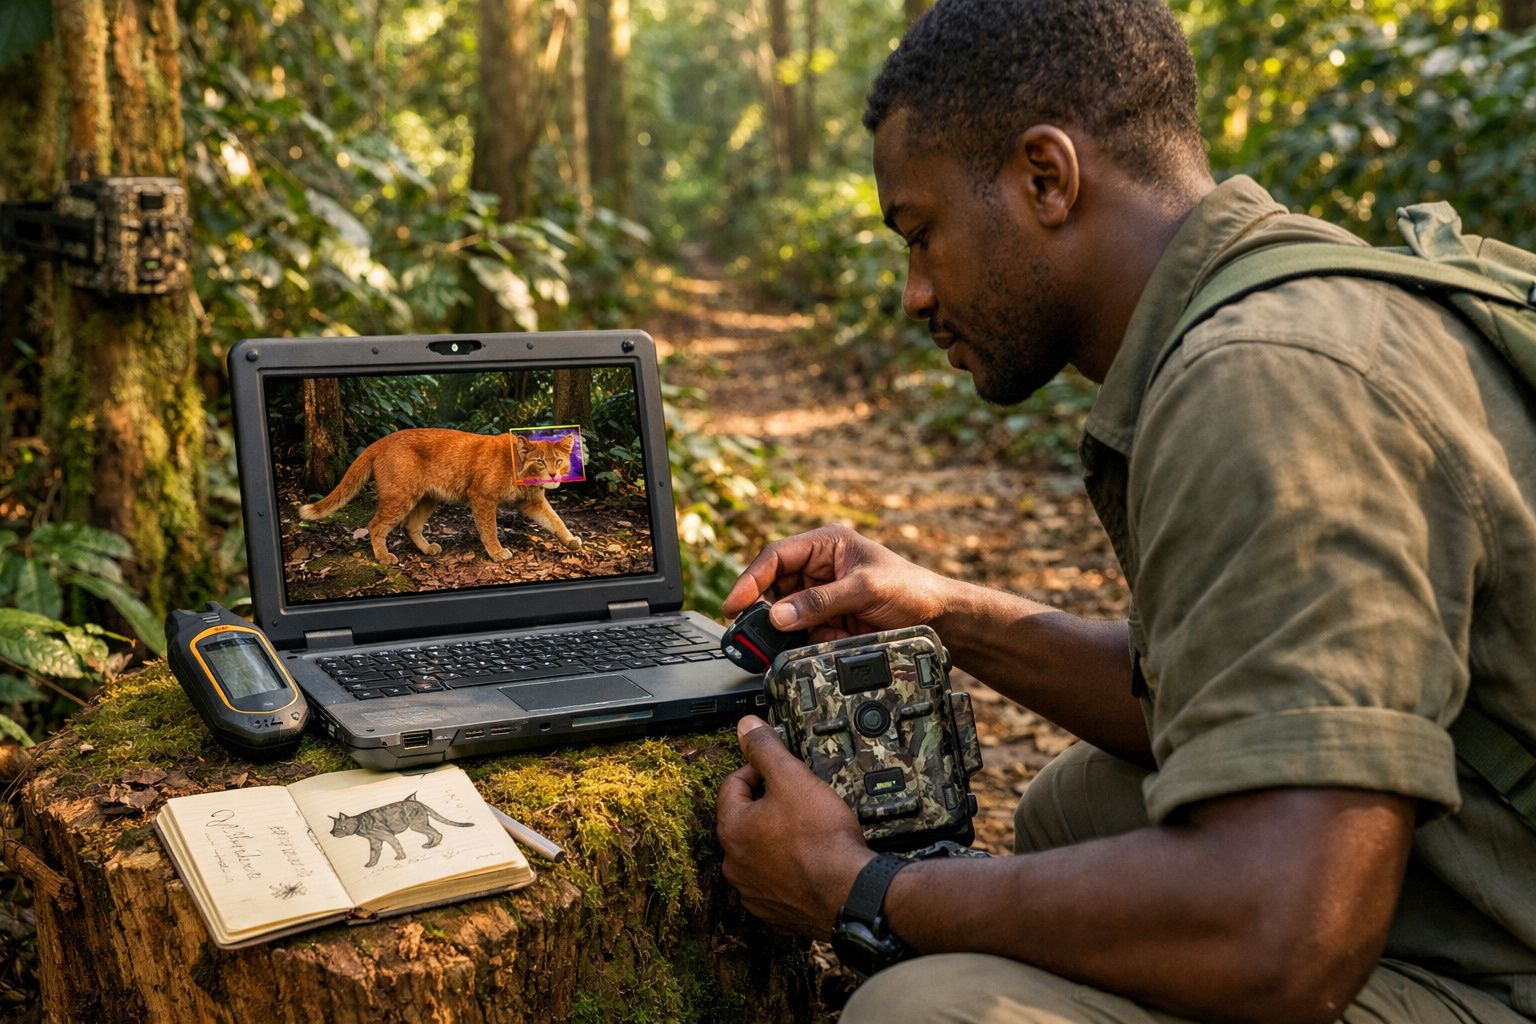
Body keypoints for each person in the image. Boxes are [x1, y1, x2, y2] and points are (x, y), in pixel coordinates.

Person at [712, 1, 1536, 1022]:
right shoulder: (1283, 303)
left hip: (1495, 963)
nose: (915, 294)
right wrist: (941, 613)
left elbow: (1287, 932)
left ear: (1046, 178)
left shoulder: (1259, 381)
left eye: (921, 236)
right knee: (1077, 803)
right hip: (1485, 867)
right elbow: (1219, 688)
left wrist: (862, 890)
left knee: (919, 1012)